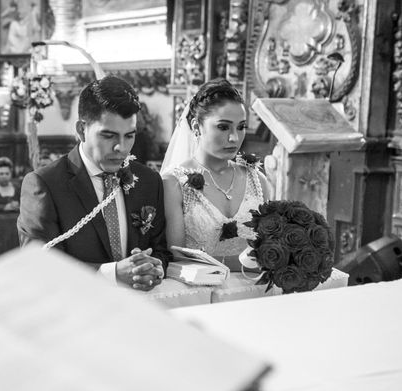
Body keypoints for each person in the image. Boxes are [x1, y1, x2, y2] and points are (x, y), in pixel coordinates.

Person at [18, 76, 171, 291]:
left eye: (129, 136)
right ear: (81, 130)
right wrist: (111, 274)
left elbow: (161, 250)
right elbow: (40, 265)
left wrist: (155, 268)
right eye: (109, 136)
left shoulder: (148, 181)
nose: (122, 148)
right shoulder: (44, 185)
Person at [161, 78, 271, 268]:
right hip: (201, 291)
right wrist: (246, 265)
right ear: (196, 127)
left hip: (256, 291)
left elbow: (270, 243)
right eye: (223, 127)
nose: (234, 137)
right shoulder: (173, 183)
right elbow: (177, 256)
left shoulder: (257, 180)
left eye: (241, 127)